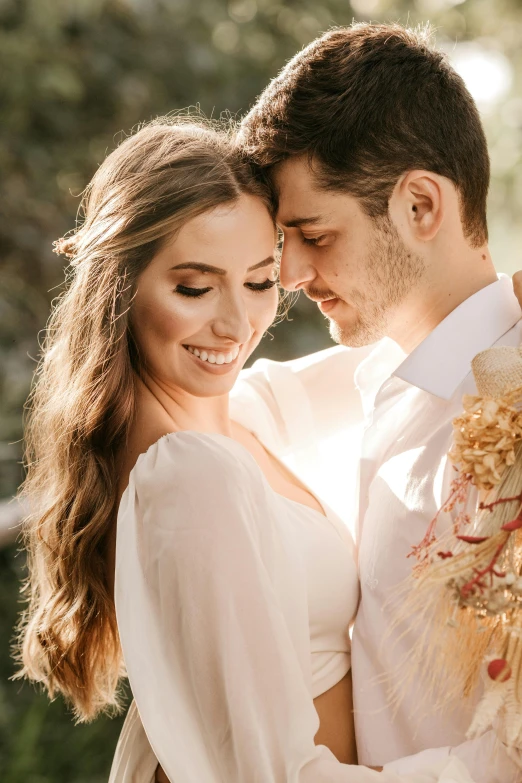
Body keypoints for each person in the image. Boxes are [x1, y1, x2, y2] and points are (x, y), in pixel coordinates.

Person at [14, 118, 475, 783]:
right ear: (121, 286)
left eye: (260, 282)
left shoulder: (235, 413)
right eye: (194, 288)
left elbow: (400, 355)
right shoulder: (190, 474)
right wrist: (484, 762)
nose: (235, 326)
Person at [237, 21, 522, 783]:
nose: (290, 271)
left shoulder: (514, 402)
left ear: (421, 206)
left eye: (314, 234)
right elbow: (225, 405)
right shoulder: (372, 383)